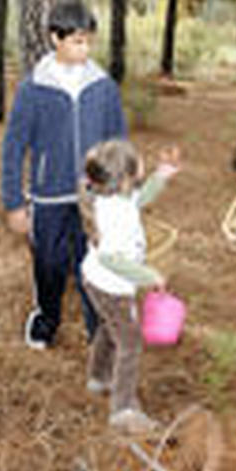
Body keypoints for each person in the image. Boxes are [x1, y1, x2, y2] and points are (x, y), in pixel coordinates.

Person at [1, 0, 128, 349]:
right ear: (55, 38)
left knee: (96, 267)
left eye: (88, 40)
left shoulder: (103, 87)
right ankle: (45, 322)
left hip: (94, 198)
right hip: (49, 197)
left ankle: (98, 333)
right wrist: (14, 203)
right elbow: (13, 147)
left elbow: (118, 139)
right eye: (77, 41)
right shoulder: (33, 90)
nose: (85, 48)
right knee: (50, 265)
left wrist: (120, 188)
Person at [81, 141, 180, 434]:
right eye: (138, 163)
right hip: (111, 285)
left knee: (109, 327)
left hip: (97, 281)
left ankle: (98, 377)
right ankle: (122, 409)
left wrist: (162, 175)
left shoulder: (114, 198)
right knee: (130, 341)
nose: (142, 163)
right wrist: (148, 275)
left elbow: (140, 198)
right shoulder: (117, 217)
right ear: (124, 178)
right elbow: (111, 258)